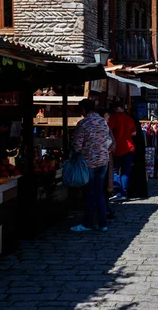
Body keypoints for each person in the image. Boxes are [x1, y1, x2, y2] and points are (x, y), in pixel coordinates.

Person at [70, 99, 112, 232]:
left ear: (83, 109)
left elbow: (77, 146)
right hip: (103, 161)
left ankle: (87, 223)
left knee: (89, 193)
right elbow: (107, 140)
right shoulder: (102, 122)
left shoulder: (83, 124)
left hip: (89, 162)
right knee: (99, 192)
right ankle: (103, 223)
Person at [107, 100, 136, 201]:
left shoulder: (114, 118)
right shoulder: (129, 118)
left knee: (114, 170)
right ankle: (124, 192)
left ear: (114, 109)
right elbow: (134, 133)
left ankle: (118, 192)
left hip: (118, 148)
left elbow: (108, 131)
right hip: (129, 147)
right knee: (125, 172)